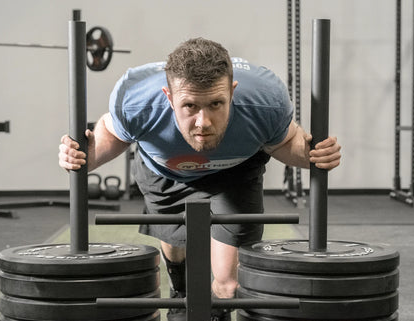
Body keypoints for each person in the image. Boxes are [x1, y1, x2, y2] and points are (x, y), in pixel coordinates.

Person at [58, 38, 341, 321]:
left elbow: (285, 142)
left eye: (216, 103)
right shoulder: (136, 101)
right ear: (168, 97)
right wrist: (84, 156)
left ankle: (216, 314)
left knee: (229, 285)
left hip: (235, 174)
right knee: (175, 247)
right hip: (164, 172)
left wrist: (313, 155)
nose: (203, 122)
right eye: (190, 106)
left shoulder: (266, 102)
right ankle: (180, 289)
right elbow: (111, 133)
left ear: (232, 92)